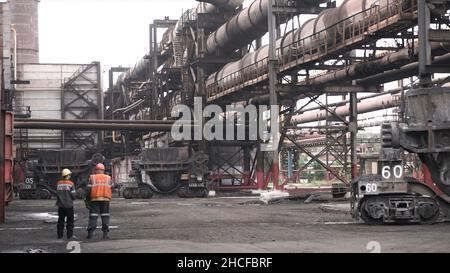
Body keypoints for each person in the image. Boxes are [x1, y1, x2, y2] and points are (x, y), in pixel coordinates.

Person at [85, 163, 112, 240]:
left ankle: (90, 234)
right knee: (105, 216)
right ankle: (105, 235)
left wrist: (87, 201)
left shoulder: (92, 177)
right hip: (106, 200)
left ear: (96, 170)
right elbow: (111, 187)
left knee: (93, 216)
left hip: (94, 199)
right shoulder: (108, 178)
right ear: (103, 170)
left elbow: (88, 190)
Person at [56, 169, 76, 239]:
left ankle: (60, 235)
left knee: (60, 221)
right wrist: (73, 199)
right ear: (67, 175)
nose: (70, 176)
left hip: (60, 205)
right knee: (70, 221)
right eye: (69, 175)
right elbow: (73, 195)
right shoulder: (71, 184)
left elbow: (57, 194)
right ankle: (69, 235)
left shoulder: (59, 183)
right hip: (69, 205)